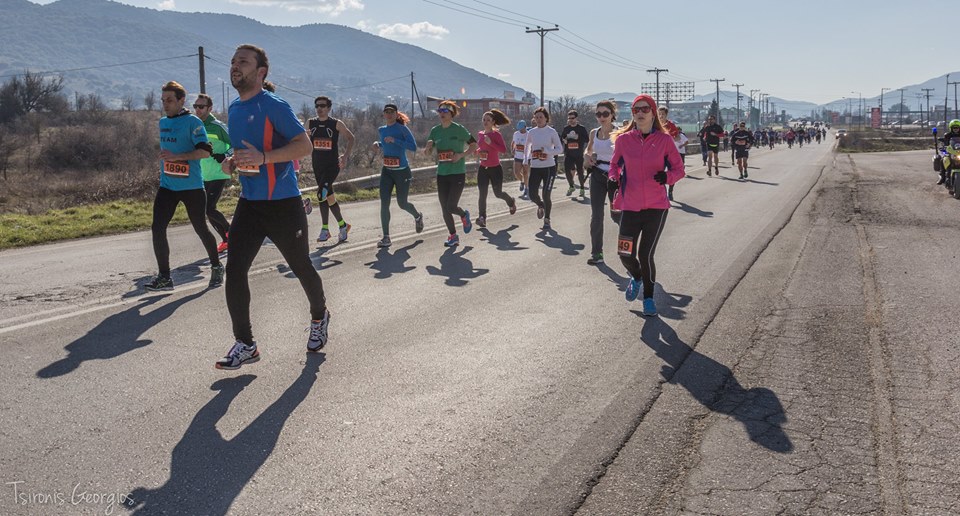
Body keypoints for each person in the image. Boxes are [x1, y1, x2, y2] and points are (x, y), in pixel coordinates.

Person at [215, 44, 330, 370]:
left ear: (261, 72)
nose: (235, 66)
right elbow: (245, 152)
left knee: (300, 266)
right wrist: (232, 162)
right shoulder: (235, 109)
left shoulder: (273, 105)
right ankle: (246, 343)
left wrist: (264, 158)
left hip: (283, 204)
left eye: (243, 62)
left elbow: (303, 145)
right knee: (234, 271)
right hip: (250, 204)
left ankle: (319, 316)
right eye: (233, 61)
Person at [608, 94, 684, 316]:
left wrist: (667, 178)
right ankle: (637, 277)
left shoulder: (665, 141)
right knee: (624, 253)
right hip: (630, 206)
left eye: (644, 109)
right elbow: (614, 165)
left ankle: (649, 299)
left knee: (645, 254)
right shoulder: (623, 140)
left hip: (656, 207)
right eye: (635, 110)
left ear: (652, 112)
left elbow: (679, 170)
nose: (639, 113)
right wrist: (613, 177)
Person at [147, 81, 222, 291]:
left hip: (191, 187)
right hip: (168, 186)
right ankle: (164, 277)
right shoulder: (162, 122)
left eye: (170, 100)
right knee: (157, 228)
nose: (166, 104)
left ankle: (216, 266)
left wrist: (177, 157)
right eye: (163, 100)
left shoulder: (193, 122)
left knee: (200, 228)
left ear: (181, 100)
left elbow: (205, 152)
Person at [424, 100, 476, 247]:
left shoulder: (459, 129)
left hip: (457, 173)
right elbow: (427, 153)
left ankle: (464, 215)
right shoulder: (435, 131)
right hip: (442, 173)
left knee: (451, 206)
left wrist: (461, 155)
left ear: (451, 114)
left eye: (444, 112)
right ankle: (453, 236)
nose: (441, 114)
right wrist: (427, 148)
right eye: (439, 112)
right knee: (444, 207)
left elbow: (474, 145)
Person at [374, 103, 423, 248]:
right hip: (387, 171)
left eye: (391, 112)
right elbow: (386, 144)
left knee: (402, 203)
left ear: (396, 114)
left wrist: (395, 140)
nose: (389, 114)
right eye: (386, 112)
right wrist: (378, 144)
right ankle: (386, 237)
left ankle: (417, 216)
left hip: (402, 171)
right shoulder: (381, 130)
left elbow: (413, 147)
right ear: (383, 114)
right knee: (384, 203)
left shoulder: (402, 129)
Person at [308, 95, 355, 244]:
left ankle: (325, 229)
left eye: (322, 106)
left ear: (328, 108)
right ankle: (343, 225)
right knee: (328, 197)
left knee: (321, 193)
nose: (319, 109)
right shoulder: (310, 123)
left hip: (332, 166)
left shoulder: (336, 123)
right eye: (317, 106)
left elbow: (351, 138)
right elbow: (301, 139)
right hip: (317, 166)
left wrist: (345, 156)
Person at [194, 93, 233, 254]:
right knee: (206, 210)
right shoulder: (194, 127)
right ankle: (227, 239)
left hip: (219, 173)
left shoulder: (217, 126)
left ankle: (231, 234)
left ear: (210, 108)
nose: (198, 110)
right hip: (203, 174)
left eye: (201, 107)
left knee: (209, 208)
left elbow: (235, 144)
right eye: (195, 106)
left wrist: (225, 155)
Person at [585, 100, 619, 265]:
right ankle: (597, 253)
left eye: (605, 114)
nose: (602, 117)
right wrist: (587, 156)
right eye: (598, 114)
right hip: (597, 175)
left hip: (615, 177)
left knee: (617, 215)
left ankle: (628, 248)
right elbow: (589, 149)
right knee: (596, 215)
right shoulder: (593, 132)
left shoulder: (620, 133)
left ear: (612, 114)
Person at [475, 108, 517, 227]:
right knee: (482, 194)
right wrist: (478, 151)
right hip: (483, 168)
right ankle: (482, 217)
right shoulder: (480, 134)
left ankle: (510, 201)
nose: (485, 121)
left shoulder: (496, 135)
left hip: (495, 168)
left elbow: (503, 150)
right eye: (484, 119)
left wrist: (491, 143)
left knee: (498, 193)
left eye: (488, 120)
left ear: (493, 122)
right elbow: (482, 148)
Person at [524, 106, 562, 230]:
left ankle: (547, 219)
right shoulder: (532, 132)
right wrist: (526, 159)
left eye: (541, 117)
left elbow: (560, 149)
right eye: (536, 117)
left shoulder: (551, 132)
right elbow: (527, 146)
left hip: (549, 168)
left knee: (546, 194)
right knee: (532, 194)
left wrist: (548, 151)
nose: (539, 119)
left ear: (546, 118)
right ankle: (541, 205)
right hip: (535, 167)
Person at [560, 110, 590, 197]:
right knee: (567, 170)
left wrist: (578, 137)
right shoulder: (566, 128)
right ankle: (571, 185)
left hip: (578, 154)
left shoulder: (581, 128)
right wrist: (564, 140)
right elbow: (562, 137)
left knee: (580, 172)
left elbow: (587, 139)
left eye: (572, 118)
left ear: (576, 118)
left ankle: (582, 187)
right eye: (569, 118)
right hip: (569, 153)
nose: (571, 120)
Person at [512, 120, 530, 199]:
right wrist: (512, 149)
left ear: (525, 127)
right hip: (518, 156)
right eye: (519, 128)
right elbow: (513, 142)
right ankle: (522, 181)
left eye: (522, 128)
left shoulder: (529, 135)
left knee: (526, 173)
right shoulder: (516, 134)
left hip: (526, 156)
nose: (520, 130)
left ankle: (526, 189)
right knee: (516, 172)